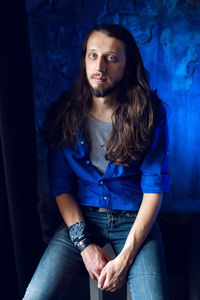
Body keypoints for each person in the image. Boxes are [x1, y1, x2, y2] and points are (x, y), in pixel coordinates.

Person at [23, 24, 169, 300]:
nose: (99, 66)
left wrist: (125, 258)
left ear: (127, 67)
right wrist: (84, 244)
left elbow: (153, 190)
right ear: (84, 60)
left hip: (134, 221)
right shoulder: (64, 113)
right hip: (81, 219)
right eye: (93, 55)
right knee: (34, 296)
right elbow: (62, 187)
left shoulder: (150, 115)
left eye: (111, 58)